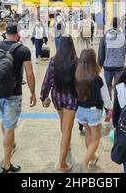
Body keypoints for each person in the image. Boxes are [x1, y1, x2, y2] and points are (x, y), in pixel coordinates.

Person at [0, 23, 36, 173]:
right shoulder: (22, 50)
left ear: (5, 33)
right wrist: (32, 92)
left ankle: (10, 144)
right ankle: (7, 164)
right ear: (18, 34)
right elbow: (29, 73)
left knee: (5, 120)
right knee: (10, 127)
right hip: (13, 94)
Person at [40, 36, 78, 173]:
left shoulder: (53, 61)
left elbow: (47, 81)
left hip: (57, 97)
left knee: (63, 123)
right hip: (71, 99)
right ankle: (61, 164)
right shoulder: (76, 62)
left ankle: (66, 145)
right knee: (67, 129)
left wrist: (43, 96)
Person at [75, 48, 112, 171]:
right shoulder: (98, 75)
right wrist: (109, 108)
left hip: (80, 111)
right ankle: (85, 162)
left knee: (88, 134)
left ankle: (92, 158)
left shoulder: (77, 74)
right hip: (94, 111)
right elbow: (105, 95)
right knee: (96, 139)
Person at [98, 17, 126, 99]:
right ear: (120, 25)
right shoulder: (124, 37)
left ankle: (108, 108)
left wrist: (98, 67)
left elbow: (101, 55)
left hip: (107, 67)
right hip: (119, 67)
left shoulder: (105, 37)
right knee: (119, 89)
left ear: (110, 25)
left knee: (107, 88)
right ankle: (117, 106)